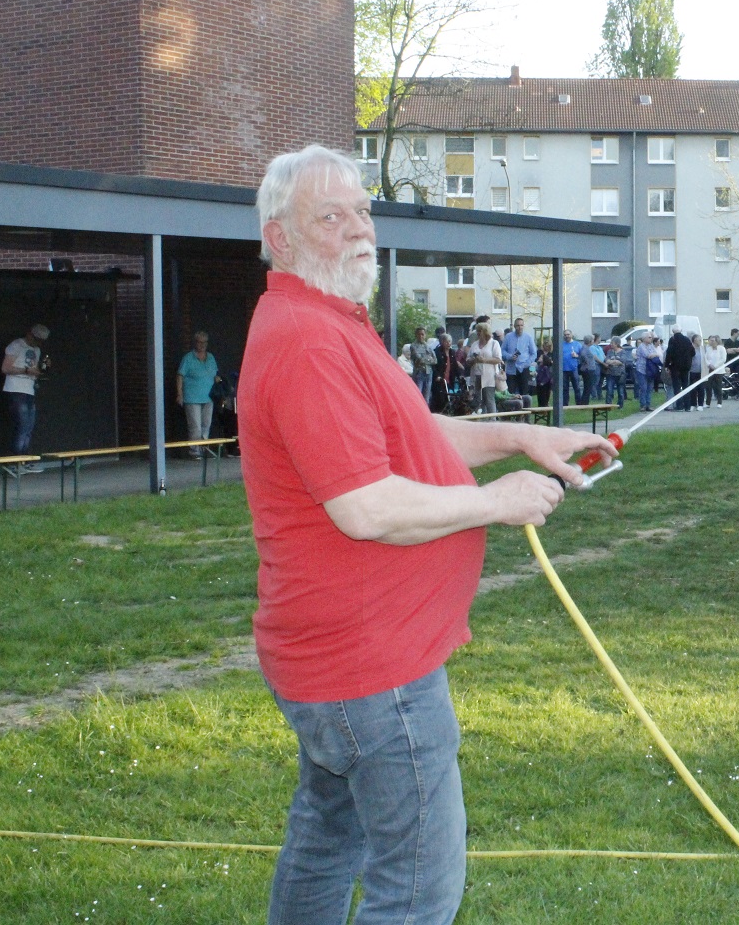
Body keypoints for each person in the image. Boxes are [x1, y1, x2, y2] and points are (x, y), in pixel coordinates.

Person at [240, 145, 616, 925]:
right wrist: (498, 502)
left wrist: (520, 440)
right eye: (330, 216)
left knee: (324, 845)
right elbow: (366, 506)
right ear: (281, 237)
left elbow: (411, 431)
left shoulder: (329, 321)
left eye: (363, 211)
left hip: (346, 666)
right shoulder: (308, 338)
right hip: (373, 673)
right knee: (416, 893)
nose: (357, 230)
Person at [1, 323, 49, 468]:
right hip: (16, 389)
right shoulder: (16, 345)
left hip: (29, 389)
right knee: (22, 426)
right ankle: (15, 461)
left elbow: (34, 370)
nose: (37, 343)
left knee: (29, 427)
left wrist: (42, 369)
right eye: (36, 339)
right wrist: (26, 371)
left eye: (40, 341)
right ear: (29, 334)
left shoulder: (37, 350)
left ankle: (25, 459)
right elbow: (6, 368)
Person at [177, 330, 221, 458]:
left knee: (206, 424)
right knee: (195, 425)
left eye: (204, 342)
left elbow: (215, 373)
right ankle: (194, 451)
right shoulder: (188, 358)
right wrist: (179, 394)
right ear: (195, 343)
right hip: (192, 397)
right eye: (199, 342)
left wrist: (217, 379)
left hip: (208, 397)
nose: (202, 345)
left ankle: (204, 449)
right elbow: (180, 376)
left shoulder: (211, 357)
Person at [465, 321, 502, 414]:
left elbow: (498, 359)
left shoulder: (494, 343)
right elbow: (468, 359)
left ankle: (493, 421)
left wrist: (484, 360)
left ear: (485, 332)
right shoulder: (474, 344)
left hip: (489, 377)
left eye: (480, 331)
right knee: (478, 400)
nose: (478, 333)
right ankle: (482, 420)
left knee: (489, 399)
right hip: (476, 375)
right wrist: (473, 360)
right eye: (477, 331)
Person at [501, 317, 537, 399]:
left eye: (521, 325)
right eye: (517, 325)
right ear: (514, 326)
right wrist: (510, 356)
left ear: (524, 326)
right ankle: (513, 409)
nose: (520, 327)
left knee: (524, 392)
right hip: (511, 369)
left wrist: (527, 363)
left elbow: (534, 353)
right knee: (511, 392)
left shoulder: (528, 337)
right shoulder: (508, 337)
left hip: (524, 369)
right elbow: (502, 351)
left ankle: (524, 410)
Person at [664, 329, 696, 411]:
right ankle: (687, 406)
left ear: (673, 332)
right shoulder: (686, 340)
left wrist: (667, 365)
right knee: (686, 386)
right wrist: (688, 358)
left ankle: (679, 406)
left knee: (677, 387)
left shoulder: (672, 340)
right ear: (681, 330)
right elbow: (693, 352)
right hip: (685, 367)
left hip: (675, 367)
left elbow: (669, 353)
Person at [406, 326, 434, 401]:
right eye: (419, 334)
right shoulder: (413, 345)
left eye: (422, 334)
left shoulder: (428, 346)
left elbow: (435, 359)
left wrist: (426, 359)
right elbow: (419, 358)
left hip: (428, 372)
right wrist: (428, 358)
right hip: (419, 372)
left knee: (427, 396)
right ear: (416, 335)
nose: (421, 336)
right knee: (418, 394)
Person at [559, 329, 583, 406]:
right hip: (563, 369)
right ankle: (565, 404)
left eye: (568, 334)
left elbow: (582, 356)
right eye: (565, 335)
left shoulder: (577, 344)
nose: (566, 336)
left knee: (576, 387)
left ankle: (579, 403)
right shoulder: (561, 344)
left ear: (571, 335)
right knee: (565, 388)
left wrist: (576, 356)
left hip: (573, 368)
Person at [634, 335, 658, 412]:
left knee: (649, 388)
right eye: (649, 337)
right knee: (643, 388)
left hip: (650, 370)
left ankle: (648, 404)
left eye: (651, 337)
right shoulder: (641, 346)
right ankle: (643, 405)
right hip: (642, 370)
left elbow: (656, 353)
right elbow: (647, 355)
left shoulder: (651, 346)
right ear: (644, 338)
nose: (651, 339)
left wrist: (653, 355)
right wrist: (653, 355)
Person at [577, 334, 602, 406]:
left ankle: (585, 402)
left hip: (588, 369)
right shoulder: (585, 348)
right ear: (590, 341)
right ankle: (584, 403)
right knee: (587, 387)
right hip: (587, 370)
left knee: (588, 387)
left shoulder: (587, 348)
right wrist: (587, 362)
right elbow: (583, 355)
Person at [602, 337, 627, 408]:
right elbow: (606, 360)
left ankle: (620, 405)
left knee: (620, 391)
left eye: (612, 343)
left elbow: (622, 361)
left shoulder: (623, 352)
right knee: (609, 390)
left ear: (617, 344)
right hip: (610, 373)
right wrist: (615, 361)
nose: (611, 345)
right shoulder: (610, 351)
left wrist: (612, 362)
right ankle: (608, 405)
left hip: (620, 374)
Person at [703, 335, 728, 406]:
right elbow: (706, 358)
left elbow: (723, 359)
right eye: (711, 340)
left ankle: (719, 402)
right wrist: (709, 365)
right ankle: (708, 403)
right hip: (710, 370)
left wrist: (715, 366)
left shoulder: (722, 348)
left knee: (718, 387)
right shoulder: (709, 349)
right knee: (708, 387)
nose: (711, 342)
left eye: (713, 340)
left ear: (717, 341)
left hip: (719, 371)